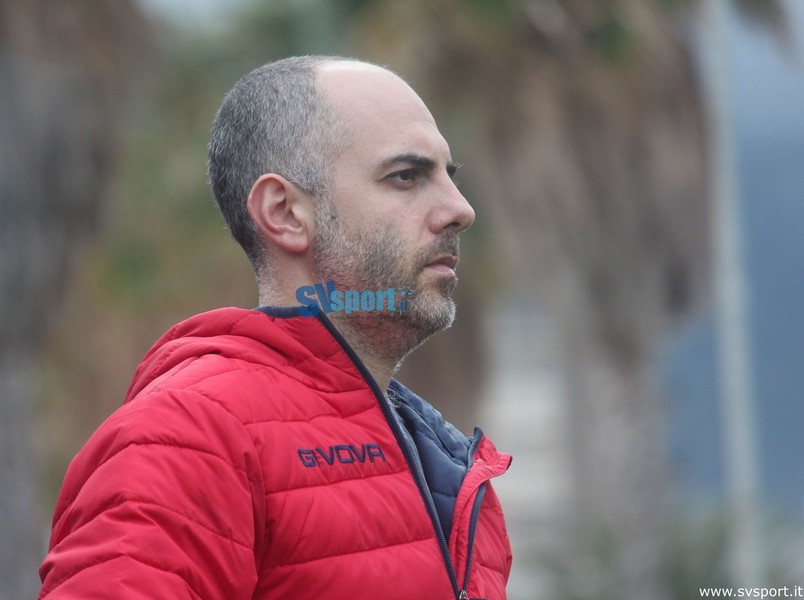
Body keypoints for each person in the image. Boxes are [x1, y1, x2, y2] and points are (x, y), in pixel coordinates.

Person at [38, 55, 512, 600]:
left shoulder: (447, 459)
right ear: (284, 213)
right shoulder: (187, 436)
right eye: (406, 176)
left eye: (449, 177)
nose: (460, 210)